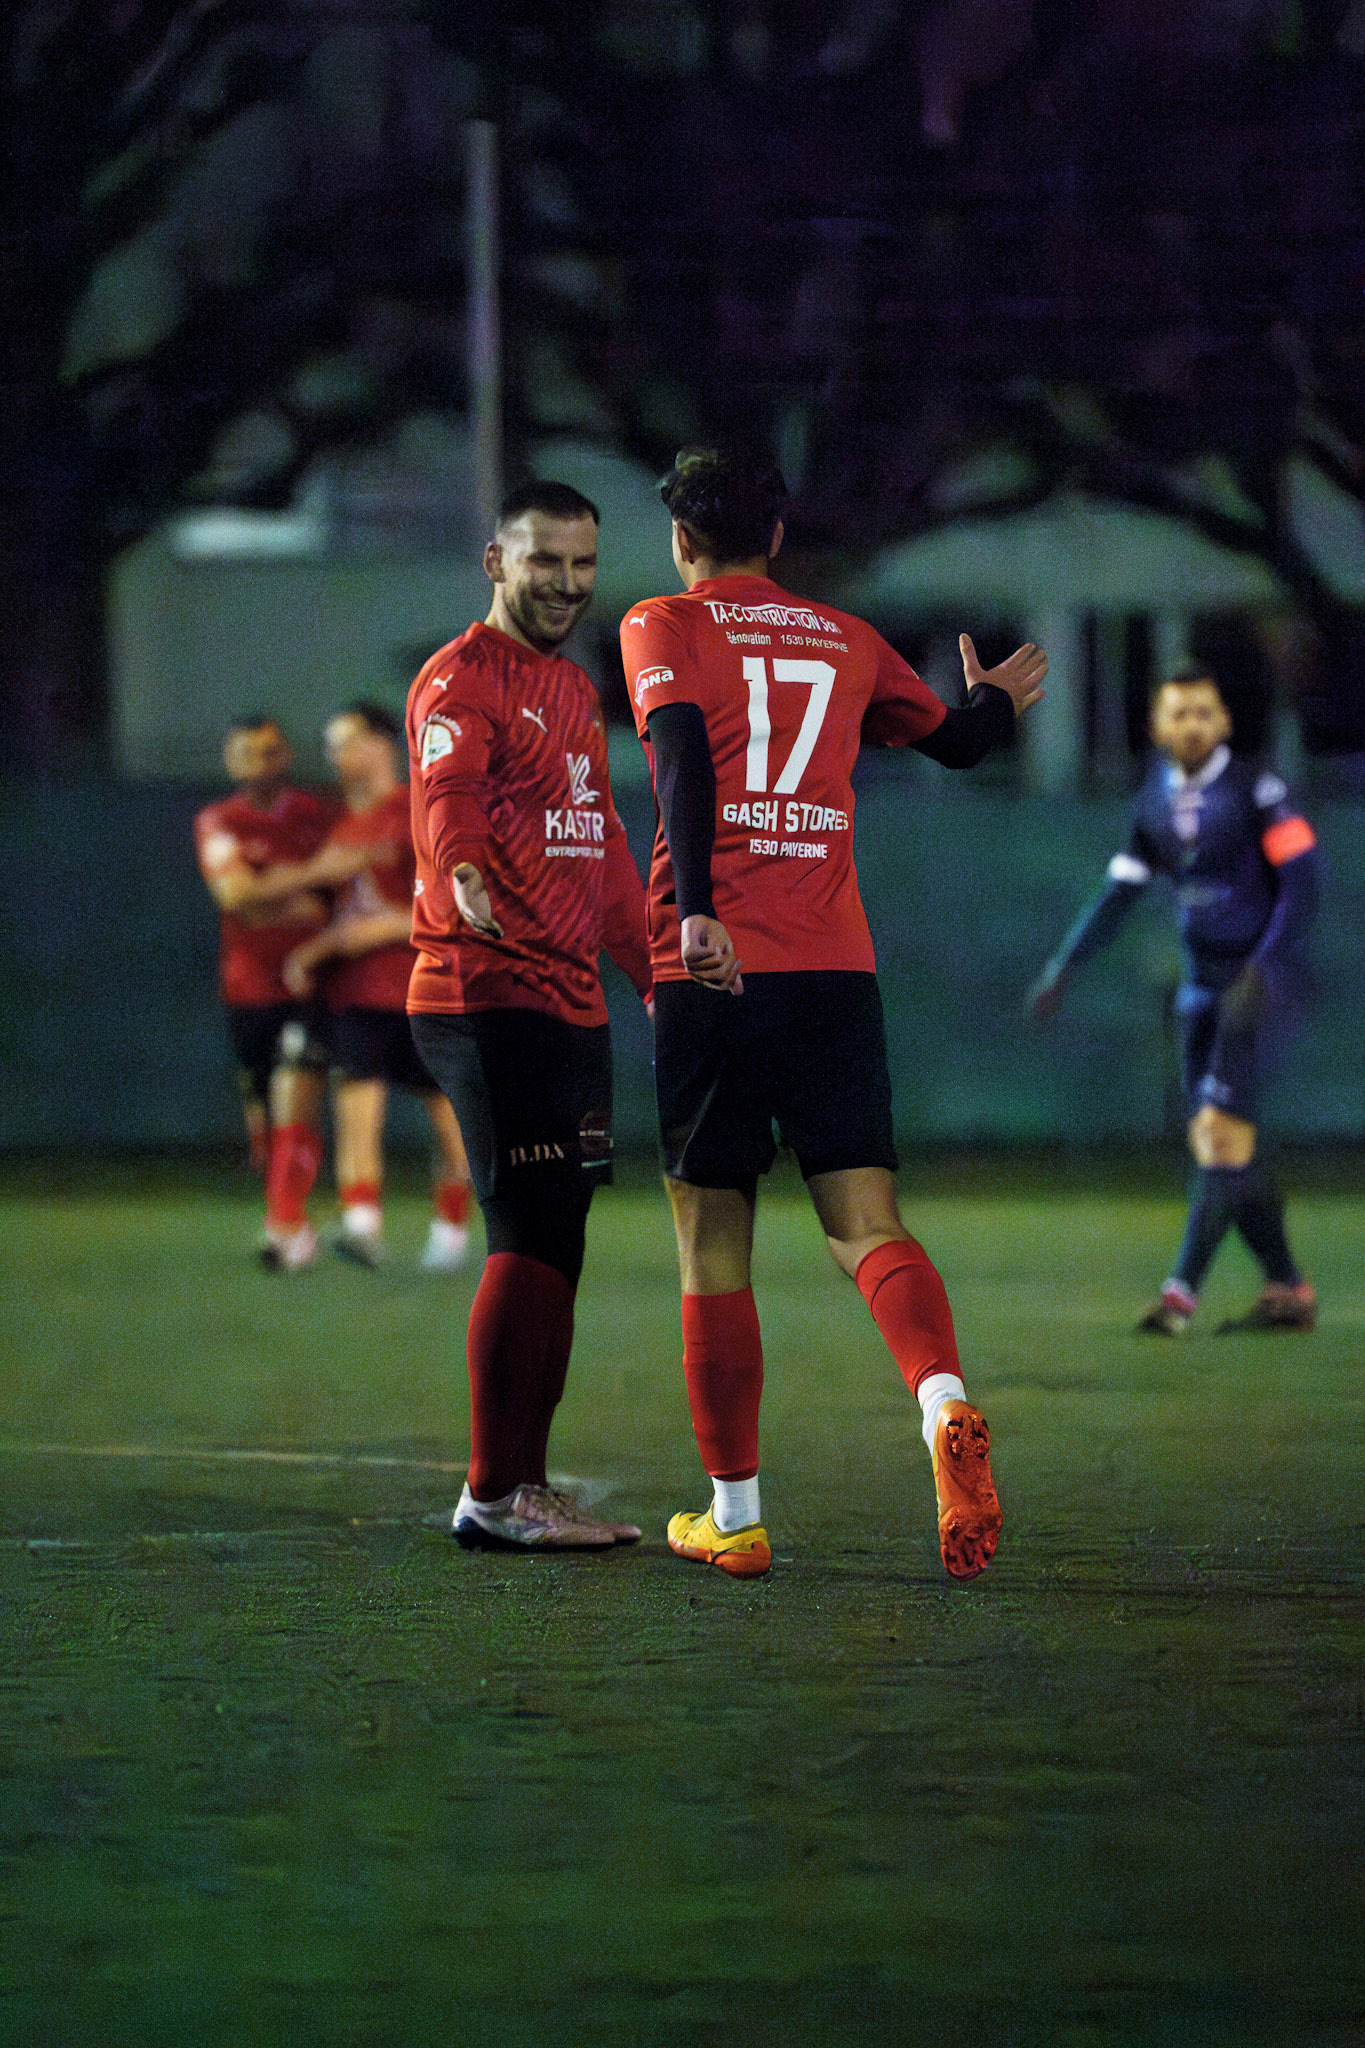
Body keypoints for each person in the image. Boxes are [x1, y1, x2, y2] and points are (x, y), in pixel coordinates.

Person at [619, 444, 1047, 1580]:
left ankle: (737, 1513)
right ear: (776, 538)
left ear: (680, 540)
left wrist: (700, 908)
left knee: (712, 1245)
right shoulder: (846, 638)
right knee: (866, 1223)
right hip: (835, 974)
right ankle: (942, 1400)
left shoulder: (662, 622)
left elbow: (678, 762)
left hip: (713, 969)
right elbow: (957, 745)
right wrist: (992, 699)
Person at [406, 480, 654, 1551]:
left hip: (568, 997)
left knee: (560, 1236)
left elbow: (598, 847)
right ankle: (492, 1494)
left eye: (582, 565)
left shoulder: (570, 685)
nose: (565, 583)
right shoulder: (462, 678)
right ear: (495, 562)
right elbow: (445, 795)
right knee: (525, 1227)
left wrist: (654, 972)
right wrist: (460, 867)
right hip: (483, 987)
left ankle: (526, 1484)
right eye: (544, 561)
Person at [1027, 666, 1321, 1335]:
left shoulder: (1256, 791)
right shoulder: (1154, 801)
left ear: (1222, 723)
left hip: (1255, 987)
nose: (1191, 724)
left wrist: (1264, 964)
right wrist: (1064, 964)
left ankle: (1177, 1298)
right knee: (1222, 1148)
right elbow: (1119, 893)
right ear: (1157, 727)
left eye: (1203, 713)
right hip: (1198, 988)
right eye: (1177, 714)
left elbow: (1302, 884)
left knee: (1220, 1140)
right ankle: (1287, 1291)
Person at [228, 703, 475, 1272]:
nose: (334, 754)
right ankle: (362, 1224)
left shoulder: (422, 808)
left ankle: (452, 1229)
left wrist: (340, 940)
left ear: (381, 744)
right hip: (356, 995)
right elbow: (324, 888)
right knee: (356, 1100)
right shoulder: (344, 822)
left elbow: (449, 907)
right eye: (331, 742)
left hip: (426, 988)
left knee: (451, 1121)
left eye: (344, 741)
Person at [193, 715, 337, 1195]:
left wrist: (267, 888)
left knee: (301, 1085)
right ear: (230, 761)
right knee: (263, 1101)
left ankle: (291, 1208)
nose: (259, 763)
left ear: (287, 755)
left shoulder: (317, 814)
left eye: (269, 751)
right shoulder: (219, 821)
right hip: (248, 984)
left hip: (309, 979)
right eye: (246, 753)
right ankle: (280, 1186)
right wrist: (308, 879)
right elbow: (235, 896)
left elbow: (336, 890)